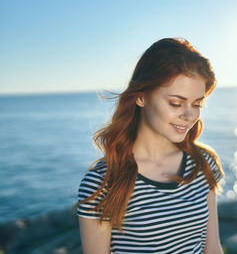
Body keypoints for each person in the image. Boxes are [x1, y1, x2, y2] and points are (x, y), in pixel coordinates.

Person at [75, 38, 224, 254]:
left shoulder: (203, 163)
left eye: (197, 104)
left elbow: (213, 248)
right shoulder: (103, 181)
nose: (189, 115)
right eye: (176, 103)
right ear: (141, 97)